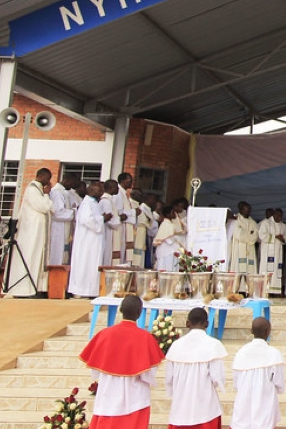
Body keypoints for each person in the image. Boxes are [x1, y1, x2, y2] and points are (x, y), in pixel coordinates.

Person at [79, 294, 164, 428]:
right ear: (139, 313)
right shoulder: (145, 338)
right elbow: (148, 374)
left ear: (120, 310)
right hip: (135, 399)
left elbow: (95, 373)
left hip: (108, 395)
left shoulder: (104, 335)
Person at [166, 307, 228, 429]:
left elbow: (169, 378)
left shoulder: (176, 346)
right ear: (207, 323)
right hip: (206, 410)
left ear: (187, 323)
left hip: (181, 409)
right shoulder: (213, 345)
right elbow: (217, 378)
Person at [230, 318, 284, 429]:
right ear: (267, 331)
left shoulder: (241, 352)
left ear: (251, 330)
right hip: (265, 404)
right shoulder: (274, 354)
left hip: (243, 402)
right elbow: (279, 383)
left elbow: (236, 383)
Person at [7, 167, 53, 297]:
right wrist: (46, 193)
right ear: (42, 176)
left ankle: (33, 287)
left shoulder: (38, 189)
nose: (49, 182)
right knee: (30, 257)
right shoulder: (33, 190)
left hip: (36, 233)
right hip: (30, 233)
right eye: (48, 179)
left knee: (35, 258)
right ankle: (24, 289)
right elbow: (44, 207)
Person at [68, 180, 109, 298]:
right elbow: (88, 220)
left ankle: (90, 291)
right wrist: (102, 219)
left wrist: (102, 218)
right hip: (87, 242)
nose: (102, 192)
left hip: (94, 241)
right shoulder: (87, 204)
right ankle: (81, 291)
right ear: (91, 190)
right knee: (85, 264)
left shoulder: (94, 203)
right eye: (99, 190)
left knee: (92, 264)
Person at [47, 175, 77, 267]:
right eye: (72, 183)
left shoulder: (64, 192)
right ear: (67, 180)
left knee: (61, 254)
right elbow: (57, 213)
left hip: (63, 228)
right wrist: (74, 213)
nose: (72, 186)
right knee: (56, 254)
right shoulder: (57, 192)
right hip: (58, 229)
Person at [257, 208, 285, 296]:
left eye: (281, 216)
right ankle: (265, 290)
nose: (279, 218)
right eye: (278, 215)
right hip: (267, 252)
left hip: (278, 252)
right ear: (274, 215)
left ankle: (275, 291)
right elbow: (262, 235)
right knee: (266, 269)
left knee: (276, 270)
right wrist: (275, 237)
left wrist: (283, 239)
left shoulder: (283, 225)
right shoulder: (266, 223)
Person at [228, 201, 259, 277]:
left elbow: (255, 236)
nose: (247, 211)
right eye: (245, 209)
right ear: (240, 210)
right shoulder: (236, 220)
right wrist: (249, 234)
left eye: (249, 209)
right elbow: (238, 234)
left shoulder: (253, 223)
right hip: (239, 248)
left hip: (250, 249)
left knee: (250, 269)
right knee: (238, 268)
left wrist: (245, 233)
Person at [154, 203, 187, 272]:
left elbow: (182, 231)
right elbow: (168, 239)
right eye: (173, 212)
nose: (174, 214)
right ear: (168, 214)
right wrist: (177, 243)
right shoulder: (166, 224)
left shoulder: (170, 224)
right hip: (167, 251)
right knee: (166, 268)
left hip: (170, 251)